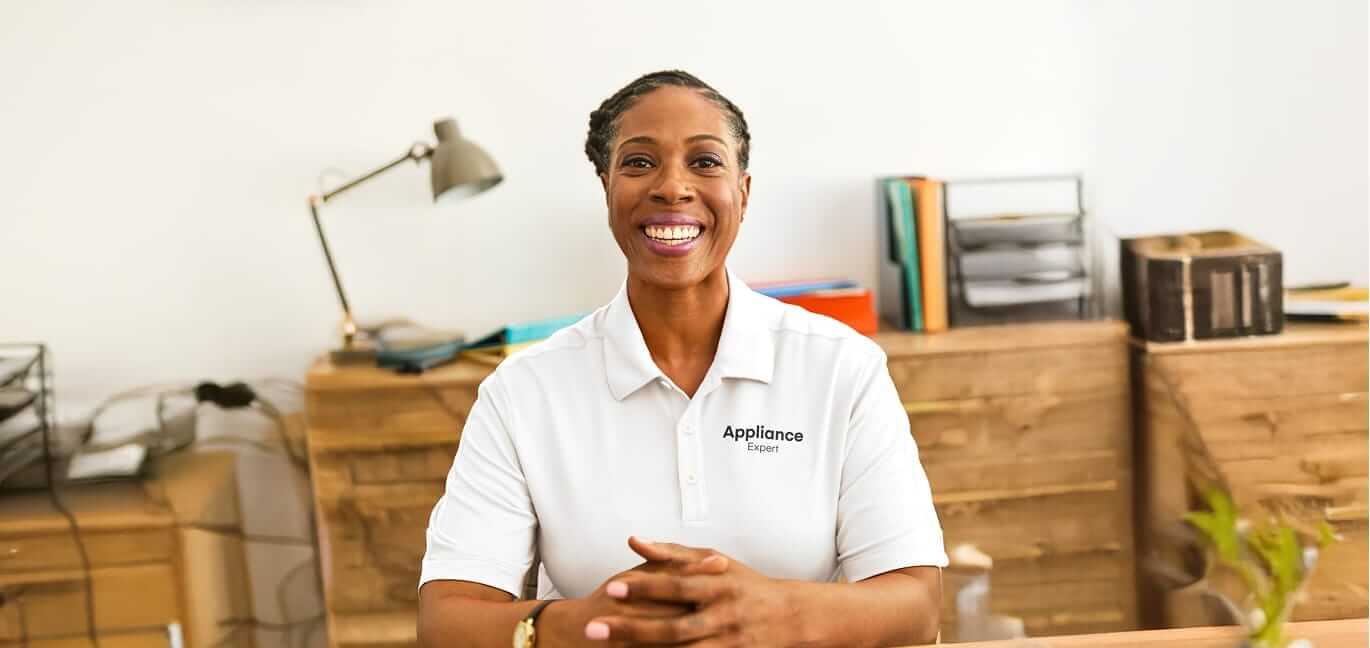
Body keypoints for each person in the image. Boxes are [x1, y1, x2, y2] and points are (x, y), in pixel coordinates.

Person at [417, 70, 947, 648]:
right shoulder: (522, 391)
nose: (672, 187)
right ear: (607, 189)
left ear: (743, 193)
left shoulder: (843, 368)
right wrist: (584, 624)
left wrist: (775, 615)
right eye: (639, 163)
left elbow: (916, 606)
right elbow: (447, 621)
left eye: (705, 162)